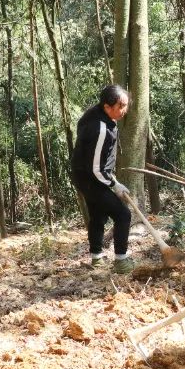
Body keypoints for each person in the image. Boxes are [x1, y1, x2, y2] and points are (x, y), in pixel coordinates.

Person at [69, 85, 135, 274]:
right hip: (90, 178)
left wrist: (109, 178)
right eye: (121, 106)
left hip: (86, 174)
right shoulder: (100, 130)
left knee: (98, 215)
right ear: (107, 107)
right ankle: (121, 262)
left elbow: (97, 163)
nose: (124, 110)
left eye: (126, 105)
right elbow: (96, 168)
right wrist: (115, 185)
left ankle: (97, 259)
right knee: (123, 215)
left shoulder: (97, 114)